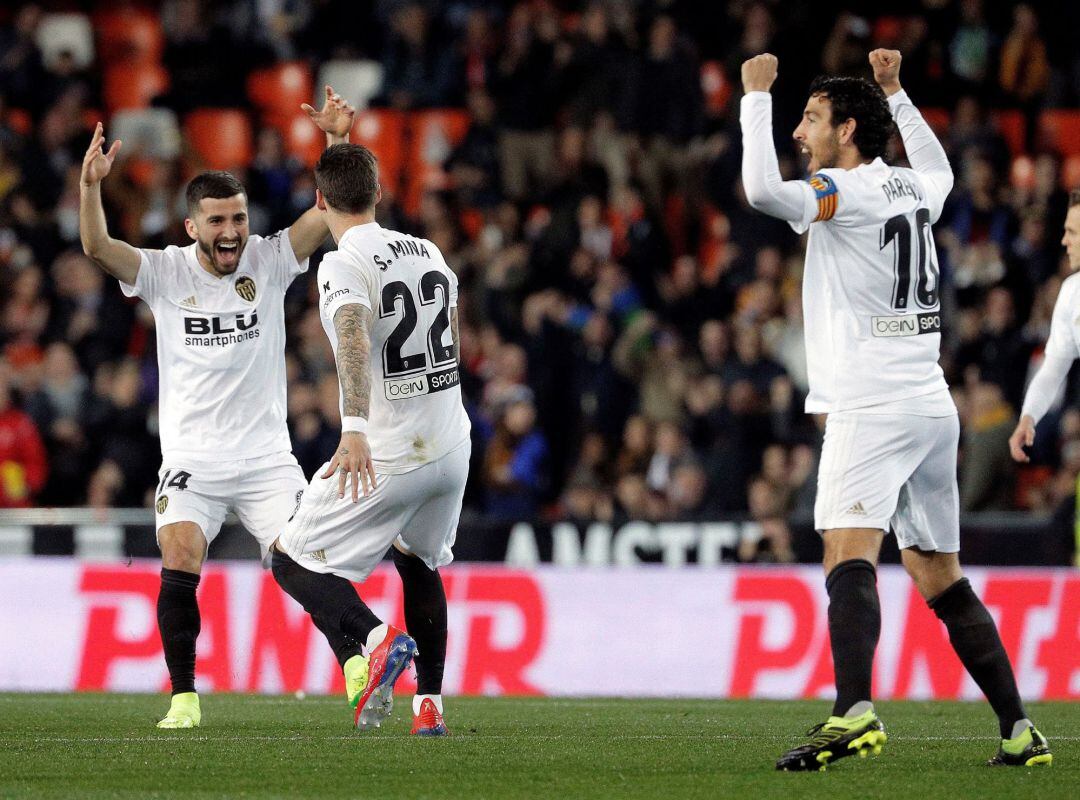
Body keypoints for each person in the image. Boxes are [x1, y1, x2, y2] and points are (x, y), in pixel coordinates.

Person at [739, 49, 1051, 771]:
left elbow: (760, 191)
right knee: (938, 572)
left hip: (872, 403)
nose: (799, 132)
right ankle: (1018, 730)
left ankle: (853, 712)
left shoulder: (841, 192)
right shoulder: (912, 187)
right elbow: (941, 172)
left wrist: (756, 97)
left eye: (811, 118)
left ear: (847, 130)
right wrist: (898, 91)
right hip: (930, 406)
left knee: (846, 552)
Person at [79, 87, 370, 729]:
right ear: (193, 228)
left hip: (266, 459)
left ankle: (356, 663)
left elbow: (329, 213)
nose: (231, 231)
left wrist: (337, 142)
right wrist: (92, 187)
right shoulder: (164, 272)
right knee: (180, 551)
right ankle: (184, 698)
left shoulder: (269, 258)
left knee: (303, 561)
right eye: (216, 221)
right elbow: (98, 248)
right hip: (194, 461)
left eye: (237, 218)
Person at [271, 142, 471, 735]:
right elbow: (450, 334)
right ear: (379, 193)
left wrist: (354, 428)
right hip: (451, 443)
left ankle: (380, 638)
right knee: (419, 561)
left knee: (289, 560)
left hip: (390, 449)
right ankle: (429, 709)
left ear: (319, 201)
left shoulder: (342, 263)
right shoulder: (429, 251)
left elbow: (354, 340)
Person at [1009, 190, 1080, 468]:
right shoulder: (1071, 292)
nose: (1064, 241)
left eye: (1072, 232)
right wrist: (1028, 417)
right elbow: (1052, 370)